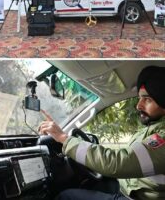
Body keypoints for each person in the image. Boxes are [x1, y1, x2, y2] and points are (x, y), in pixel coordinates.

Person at [38, 66, 165, 200]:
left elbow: (118, 162)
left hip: (135, 197)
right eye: (139, 98)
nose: (138, 105)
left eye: (148, 99)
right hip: (127, 186)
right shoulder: (155, 127)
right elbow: (128, 157)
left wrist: (63, 138)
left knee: (66, 196)